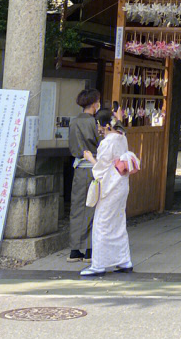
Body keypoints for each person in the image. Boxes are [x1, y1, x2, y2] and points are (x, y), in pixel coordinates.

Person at [80, 109, 136, 277]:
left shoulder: (107, 142)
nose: (98, 128)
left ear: (104, 125)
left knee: (102, 224)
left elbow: (100, 169)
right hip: (121, 185)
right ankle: (123, 260)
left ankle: (99, 264)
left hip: (109, 187)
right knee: (118, 223)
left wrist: (90, 158)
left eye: (98, 124)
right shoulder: (122, 137)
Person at [67, 88, 100, 262]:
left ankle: (74, 249)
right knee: (92, 206)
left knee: (77, 206)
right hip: (93, 167)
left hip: (79, 168)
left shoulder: (73, 122)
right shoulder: (94, 123)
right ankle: (89, 248)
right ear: (95, 104)